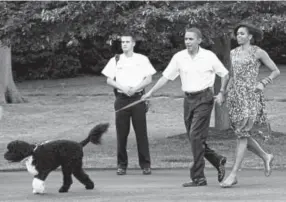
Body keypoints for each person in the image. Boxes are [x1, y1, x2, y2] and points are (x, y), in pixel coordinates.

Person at [142, 27, 229, 187]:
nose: (187, 42)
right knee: (194, 138)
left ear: (199, 40)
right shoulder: (179, 57)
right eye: (186, 39)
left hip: (205, 98)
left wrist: (222, 92)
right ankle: (217, 159)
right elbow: (166, 77)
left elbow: (224, 73)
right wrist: (151, 92)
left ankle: (198, 177)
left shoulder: (208, 56)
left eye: (191, 39)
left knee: (195, 136)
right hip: (188, 100)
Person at [220, 23, 280, 188]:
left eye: (242, 34)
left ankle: (233, 175)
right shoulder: (233, 53)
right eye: (237, 34)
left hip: (250, 96)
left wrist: (263, 82)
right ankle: (266, 156)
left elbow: (276, 70)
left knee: (242, 135)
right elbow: (232, 76)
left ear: (250, 36)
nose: (238, 36)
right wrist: (224, 93)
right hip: (235, 97)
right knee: (242, 134)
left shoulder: (258, 52)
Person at [101, 33, 156, 175]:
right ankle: (121, 165)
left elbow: (149, 78)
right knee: (122, 134)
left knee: (141, 133)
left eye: (127, 42)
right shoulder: (116, 60)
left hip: (137, 99)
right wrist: (123, 87)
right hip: (121, 99)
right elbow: (108, 80)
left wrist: (135, 89)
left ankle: (145, 164)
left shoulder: (142, 59)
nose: (124, 44)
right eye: (122, 42)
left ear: (133, 44)